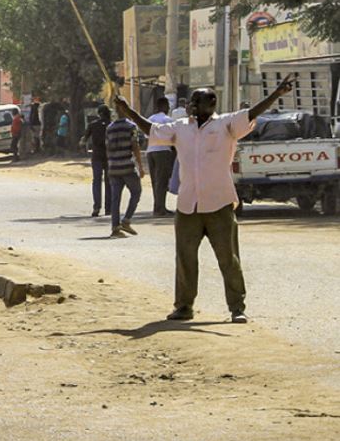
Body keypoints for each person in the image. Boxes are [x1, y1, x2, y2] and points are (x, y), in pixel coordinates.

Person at [114, 73, 297, 323]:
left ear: (210, 105)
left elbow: (251, 114)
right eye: (191, 101)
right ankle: (184, 306)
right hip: (188, 204)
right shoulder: (180, 127)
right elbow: (152, 130)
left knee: (228, 259)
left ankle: (237, 307)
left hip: (219, 203)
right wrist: (129, 112)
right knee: (185, 258)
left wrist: (276, 94)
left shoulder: (226, 125)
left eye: (195, 101)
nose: (190, 105)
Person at [104, 107, 145, 238]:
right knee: (136, 192)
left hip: (113, 167)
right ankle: (126, 220)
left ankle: (115, 228)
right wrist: (140, 166)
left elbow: (107, 147)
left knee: (115, 199)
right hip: (127, 166)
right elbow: (135, 146)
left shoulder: (110, 128)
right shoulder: (131, 126)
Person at [145, 97, 176, 217]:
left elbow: (146, 135)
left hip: (150, 151)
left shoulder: (150, 119)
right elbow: (173, 136)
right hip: (163, 151)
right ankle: (160, 208)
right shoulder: (167, 119)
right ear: (163, 106)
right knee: (162, 181)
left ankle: (157, 206)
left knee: (155, 181)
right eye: (167, 106)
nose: (168, 108)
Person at [80, 105, 112, 218]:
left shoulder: (93, 125)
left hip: (97, 156)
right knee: (109, 182)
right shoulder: (111, 125)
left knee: (97, 181)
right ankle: (109, 208)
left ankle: (96, 207)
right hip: (109, 156)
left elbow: (84, 140)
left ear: (99, 113)